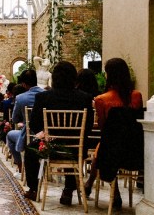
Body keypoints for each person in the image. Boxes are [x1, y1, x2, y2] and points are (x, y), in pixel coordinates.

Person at [23, 61, 94, 205]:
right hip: (76, 149)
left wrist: (47, 136)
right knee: (72, 145)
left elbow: (35, 124)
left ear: (54, 77)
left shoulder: (43, 97)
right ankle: (68, 189)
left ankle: (34, 188)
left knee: (30, 150)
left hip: (51, 148)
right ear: (74, 78)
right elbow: (88, 126)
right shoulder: (85, 98)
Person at [90, 58, 143, 207]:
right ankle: (92, 186)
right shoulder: (137, 96)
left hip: (112, 153)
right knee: (107, 145)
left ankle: (114, 193)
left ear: (109, 75)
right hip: (134, 149)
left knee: (103, 147)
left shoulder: (101, 100)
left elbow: (104, 128)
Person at [5, 69, 41, 175]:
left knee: (10, 135)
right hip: (45, 136)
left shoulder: (21, 98)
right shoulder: (46, 94)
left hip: (29, 136)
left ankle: (21, 167)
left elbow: (15, 119)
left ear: (24, 84)